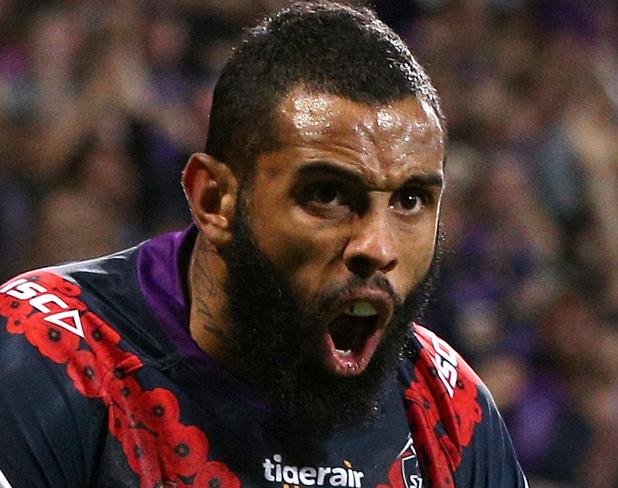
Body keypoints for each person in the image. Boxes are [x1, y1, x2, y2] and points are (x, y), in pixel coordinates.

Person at [0, 2, 528, 487]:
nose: (377, 246)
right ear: (214, 200)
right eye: (327, 194)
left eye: (410, 200)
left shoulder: (448, 407)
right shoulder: (51, 353)